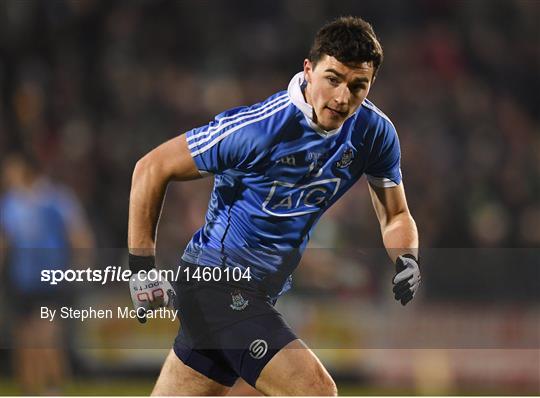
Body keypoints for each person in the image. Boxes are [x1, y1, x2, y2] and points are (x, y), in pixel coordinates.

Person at [127, 16, 420, 396]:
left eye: (357, 86)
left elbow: (396, 215)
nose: (343, 98)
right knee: (315, 391)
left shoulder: (374, 133)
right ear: (309, 70)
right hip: (216, 284)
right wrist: (141, 269)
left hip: (260, 292)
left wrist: (407, 258)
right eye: (332, 79)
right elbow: (151, 167)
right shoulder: (259, 129)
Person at [0, 152, 94, 395]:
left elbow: (78, 235)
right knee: (24, 340)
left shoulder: (55, 199)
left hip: (50, 280)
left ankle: (54, 389)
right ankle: (30, 390)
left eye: (10, 170)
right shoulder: (10, 203)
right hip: (21, 281)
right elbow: (5, 241)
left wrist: (80, 268)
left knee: (47, 338)